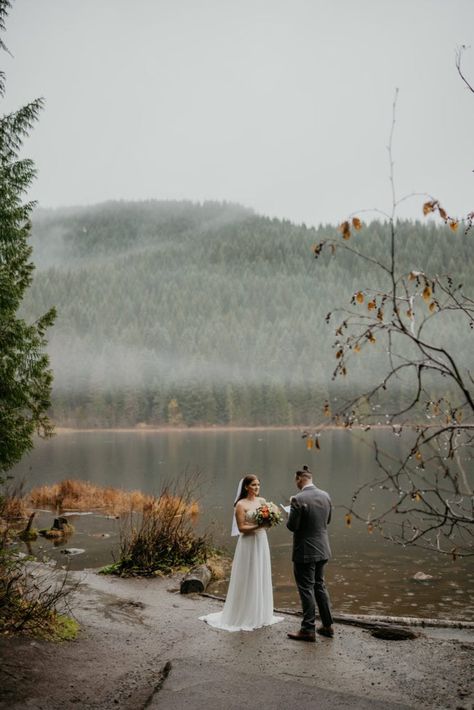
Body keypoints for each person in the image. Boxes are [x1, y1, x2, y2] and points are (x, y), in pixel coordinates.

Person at [199, 474, 283, 632]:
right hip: (248, 543)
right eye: (253, 485)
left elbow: (268, 522)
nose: (257, 488)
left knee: (261, 573)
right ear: (246, 487)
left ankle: (261, 613)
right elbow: (242, 528)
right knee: (248, 575)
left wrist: (270, 521)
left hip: (261, 542)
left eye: (258, 485)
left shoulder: (263, 502)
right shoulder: (240, 505)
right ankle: (244, 613)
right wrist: (258, 526)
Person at [286, 466, 334, 642]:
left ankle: (307, 629)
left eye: (295, 480)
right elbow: (327, 520)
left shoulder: (298, 499)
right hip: (323, 548)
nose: (296, 483)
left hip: (305, 551)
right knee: (319, 585)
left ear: (299, 479)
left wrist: (290, 511)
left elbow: (293, 526)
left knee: (306, 589)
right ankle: (327, 626)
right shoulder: (326, 495)